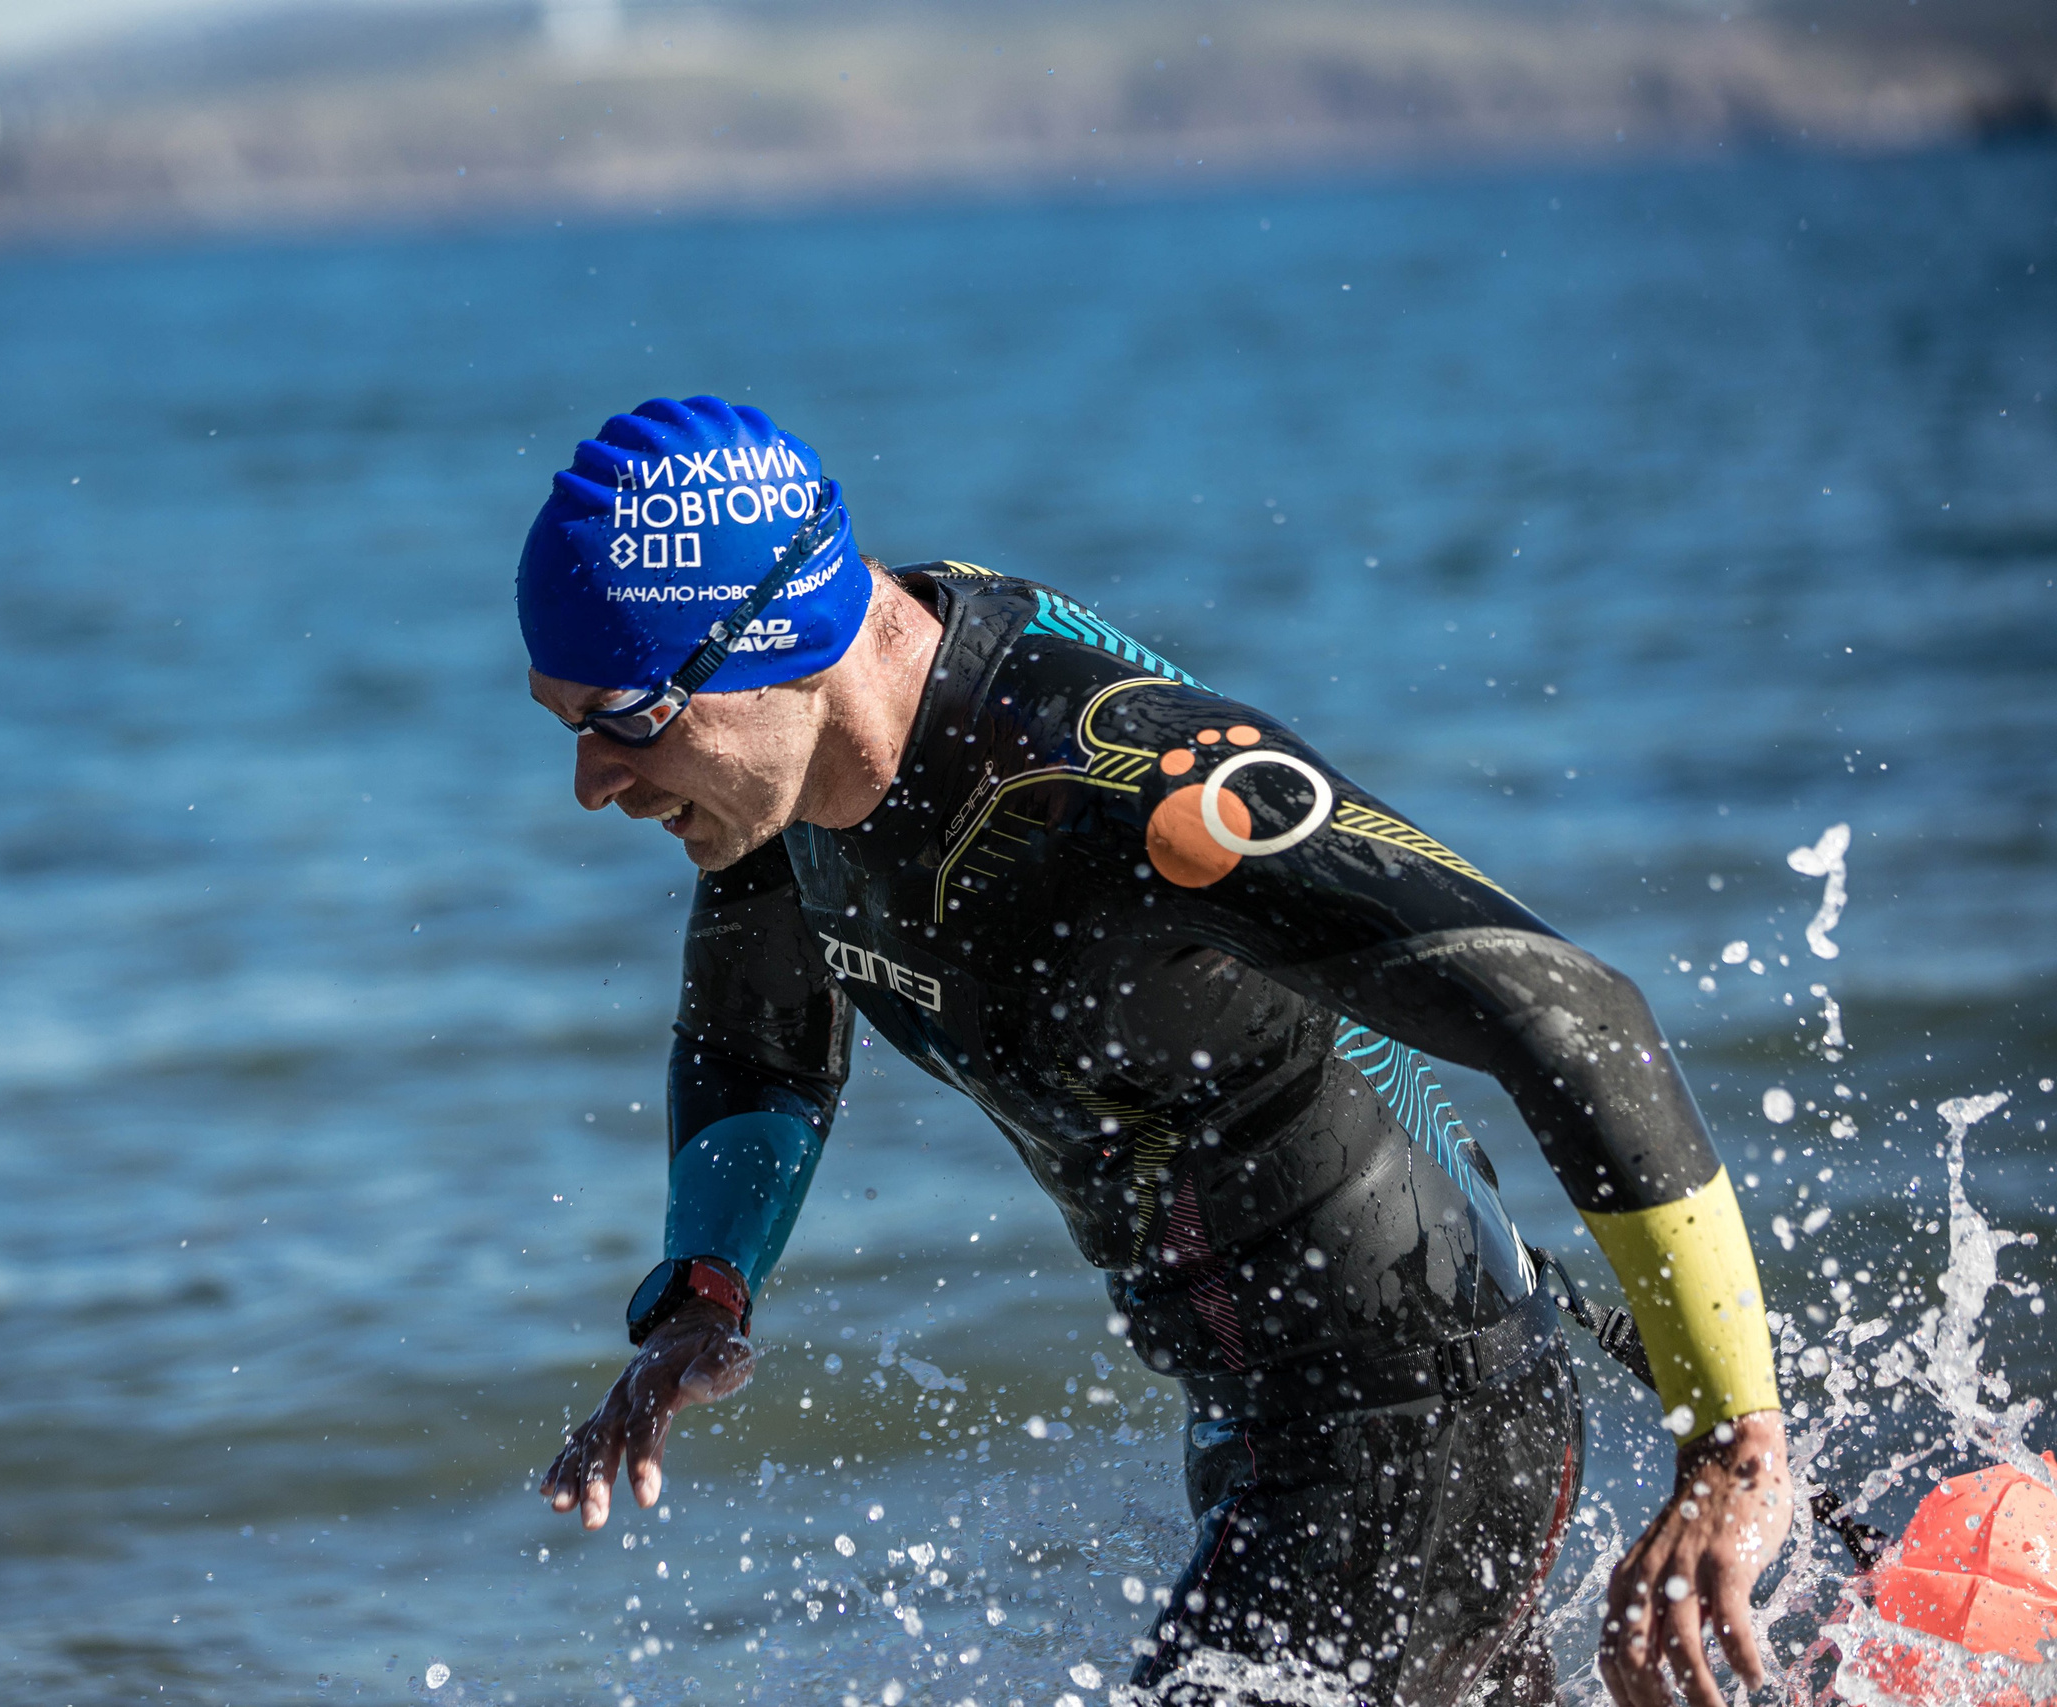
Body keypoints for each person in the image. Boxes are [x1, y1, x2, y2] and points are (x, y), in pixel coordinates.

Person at [519, 396, 1791, 1707]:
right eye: (567, 726)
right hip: (1257, 1424)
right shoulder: (782, 787)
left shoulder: (1130, 786)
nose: (592, 783)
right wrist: (706, 1296)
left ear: (771, 643)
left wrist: (1731, 1451)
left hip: (1418, 1413)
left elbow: (1576, 1018)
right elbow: (759, 1042)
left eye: (618, 715)